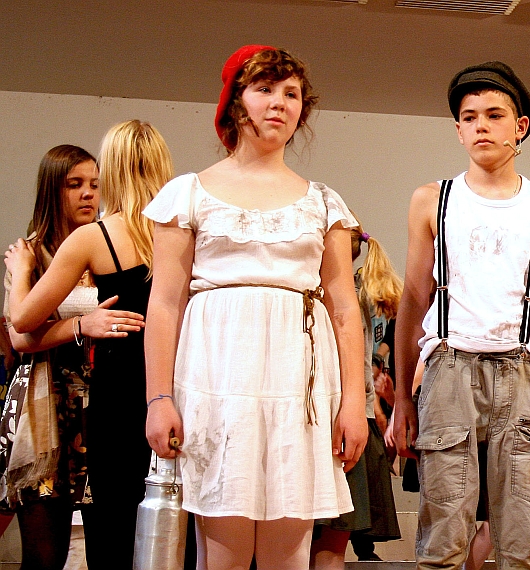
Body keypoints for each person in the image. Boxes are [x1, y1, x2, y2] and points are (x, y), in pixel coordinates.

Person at [142, 45, 365, 569]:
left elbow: (344, 309)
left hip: (299, 386)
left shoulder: (323, 202)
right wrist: (158, 398)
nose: (279, 102)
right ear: (235, 102)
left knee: (291, 553)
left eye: (291, 93)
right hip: (219, 378)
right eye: (264, 89)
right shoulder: (189, 194)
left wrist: (354, 403)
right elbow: (165, 304)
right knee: (221, 550)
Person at [391, 61, 530, 570]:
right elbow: (413, 299)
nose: (481, 126)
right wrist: (402, 395)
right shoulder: (433, 200)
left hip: (524, 369)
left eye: (494, 115)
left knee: (522, 533)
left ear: (521, 126)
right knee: (443, 533)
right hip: (449, 366)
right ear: (458, 130)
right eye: (469, 117)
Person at [6, 120, 172, 567]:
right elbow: (19, 335)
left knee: (116, 526)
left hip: (113, 390)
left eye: (95, 183)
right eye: (75, 184)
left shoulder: (96, 238)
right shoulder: (180, 232)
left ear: (111, 172)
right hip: (149, 387)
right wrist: (82, 323)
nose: (87, 193)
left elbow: (21, 318)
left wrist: (19, 275)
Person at [312, 220, 402, 569]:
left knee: (324, 538)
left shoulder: (337, 299)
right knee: (328, 542)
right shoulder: (354, 295)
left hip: (335, 424)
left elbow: (360, 367)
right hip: (350, 419)